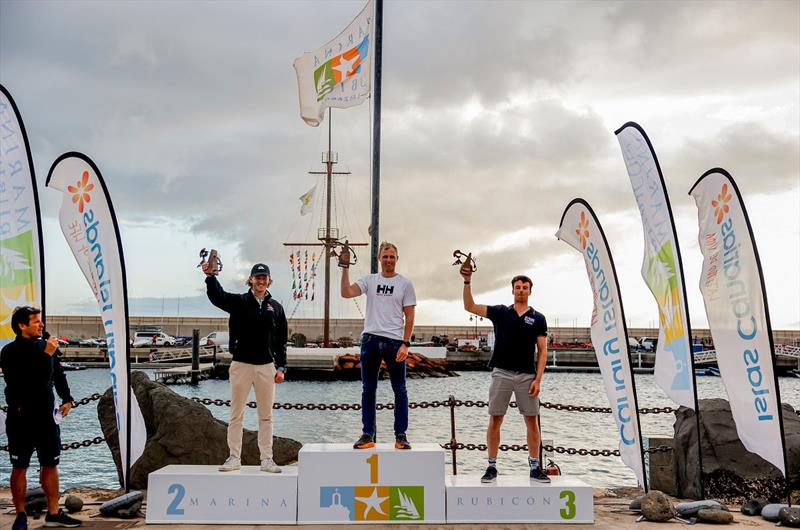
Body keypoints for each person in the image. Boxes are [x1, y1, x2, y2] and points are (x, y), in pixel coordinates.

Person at [460, 263, 551, 483]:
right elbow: (470, 306)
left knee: (531, 421)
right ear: (512, 290)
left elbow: (543, 351)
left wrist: (538, 379)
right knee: (495, 418)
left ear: (530, 291)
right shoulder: (500, 312)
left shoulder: (538, 318)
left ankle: (535, 467)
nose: (521, 290)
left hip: (527, 376)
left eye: (525, 287)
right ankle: (491, 466)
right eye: (517, 287)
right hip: (501, 373)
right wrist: (467, 280)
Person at [1, 306, 82, 529]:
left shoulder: (45, 346)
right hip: (21, 417)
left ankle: (54, 513)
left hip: (46, 417)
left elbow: (57, 374)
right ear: (21, 325)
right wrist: (46, 353)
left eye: (41, 321)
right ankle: (20, 515)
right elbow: (27, 383)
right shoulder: (10, 352)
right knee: (20, 466)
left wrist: (67, 398)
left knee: (50, 464)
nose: (41, 324)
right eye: (36, 321)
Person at [202, 262, 288, 473]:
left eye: (264, 277)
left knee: (266, 416)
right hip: (241, 364)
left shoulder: (276, 307)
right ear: (250, 280)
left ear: (269, 281)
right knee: (236, 414)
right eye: (257, 277)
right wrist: (210, 277)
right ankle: (234, 457)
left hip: (267, 367)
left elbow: (281, 340)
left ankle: (267, 459)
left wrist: (282, 367)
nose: (260, 281)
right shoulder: (239, 302)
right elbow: (217, 297)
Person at [340, 242, 416, 450]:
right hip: (370, 340)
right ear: (379, 259)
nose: (389, 260)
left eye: (392, 256)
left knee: (400, 389)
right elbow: (346, 292)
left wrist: (405, 344)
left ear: (397, 259)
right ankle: (367, 434)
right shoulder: (369, 280)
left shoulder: (405, 284)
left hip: (394, 342)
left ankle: (401, 435)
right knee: (368, 389)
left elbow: (410, 316)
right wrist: (345, 266)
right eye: (385, 256)